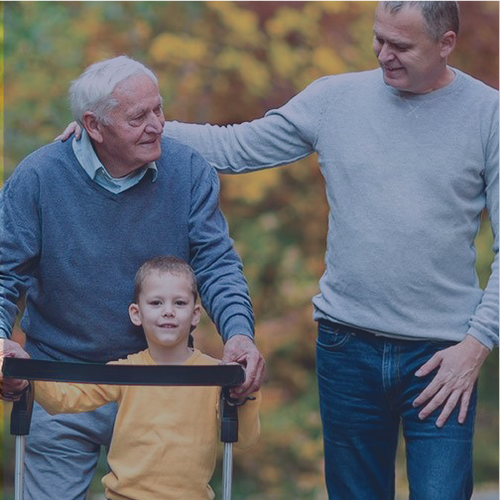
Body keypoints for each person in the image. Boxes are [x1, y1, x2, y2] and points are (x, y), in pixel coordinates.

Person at [58, 2, 498, 499]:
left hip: (442, 355)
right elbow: (235, 147)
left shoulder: (488, 116)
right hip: (346, 344)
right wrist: (110, 130)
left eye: (401, 46)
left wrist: (477, 344)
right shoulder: (335, 98)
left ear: (446, 43)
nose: (383, 55)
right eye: (379, 39)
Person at [0, 55, 265, 500]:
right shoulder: (39, 176)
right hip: (63, 378)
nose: (158, 125)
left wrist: (239, 333)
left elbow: (216, 263)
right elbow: (5, 271)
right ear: (93, 125)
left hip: (162, 382)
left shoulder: (188, 171)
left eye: (158, 109)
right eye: (139, 116)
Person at [34, 255, 261, 500]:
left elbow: (244, 439)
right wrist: (27, 376)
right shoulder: (125, 371)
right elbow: (65, 399)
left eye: (180, 303)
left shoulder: (214, 376)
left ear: (195, 314)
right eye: (155, 303)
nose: (168, 312)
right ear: (136, 313)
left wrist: (247, 390)